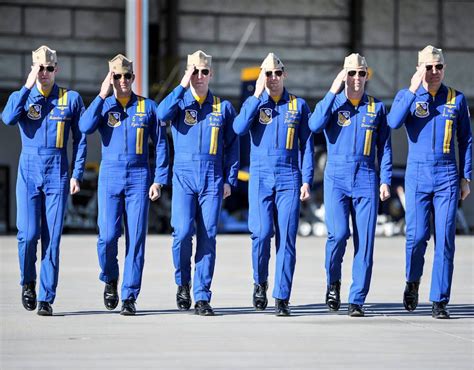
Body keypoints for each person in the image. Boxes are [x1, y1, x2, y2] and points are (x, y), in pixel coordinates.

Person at [79, 54, 169, 316]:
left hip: (139, 175)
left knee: (136, 238)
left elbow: (161, 144)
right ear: (111, 78)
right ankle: (109, 278)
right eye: (116, 76)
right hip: (110, 175)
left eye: (126, 76)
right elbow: (84, 126)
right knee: (107, 236)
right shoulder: (104, 106)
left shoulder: (147, 107)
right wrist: (101, 94)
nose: (122, 81)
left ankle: (130, 295)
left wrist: (159, 179)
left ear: (133, 77)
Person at [388, 45, 472, 319]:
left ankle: (439, 300)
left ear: (444, 68)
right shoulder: (408, 97)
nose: (433, 72)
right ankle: (412, 282)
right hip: (418, 176)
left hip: (447, 175)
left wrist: (465, 177)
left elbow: (466, 140)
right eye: (428, 66)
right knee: (417, 236)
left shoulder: (456, 100)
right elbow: (393, 122)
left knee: (445, 238)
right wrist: (413, 89)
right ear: (419, 68)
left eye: (438, 66)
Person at [2, 45, 87, 316]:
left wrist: (77, 173)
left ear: (56, 70)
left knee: (52, 238)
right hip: (29, 168)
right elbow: (7, 119)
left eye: (49, 69)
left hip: (58, 170)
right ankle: (28, 281)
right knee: (28, 235)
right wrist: (27, 86)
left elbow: (81, 137)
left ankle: (46, 296)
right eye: (40, 68)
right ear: (33, 69)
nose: (45, 73)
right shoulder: (23, 97)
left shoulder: (70, 98)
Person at [157, 50, 239, 316]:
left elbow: (233, 145)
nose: (200, 76)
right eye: (195, 71)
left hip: (212, 178)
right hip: (183, 176)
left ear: (211, 74)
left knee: (208, 236)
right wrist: (182, 83)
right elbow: (161, 115)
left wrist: (229, 179)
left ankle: (202, 296)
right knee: (181, 233)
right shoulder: (180, 104)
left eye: (204, 72)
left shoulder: (222, 107)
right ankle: (183, 283)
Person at [309, 53, 392, 317]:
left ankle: (356, 298)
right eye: (351, 73)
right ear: (344, 75)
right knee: (338, 235)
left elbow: (385, 147)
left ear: (367, 76)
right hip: (336, 178)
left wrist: (385, 179)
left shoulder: (376, 108)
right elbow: (314, 124)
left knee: (365, 242)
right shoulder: (333, 105)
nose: (356, 78)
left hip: (366, 177)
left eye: (361, 73)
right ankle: (333, 283)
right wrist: (333, 90)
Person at [233, 53, 314, 316]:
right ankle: (260, 282)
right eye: (268, 74)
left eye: (277, 73)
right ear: (262, 76)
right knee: (262, 233)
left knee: (287, 238)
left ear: (284, 75)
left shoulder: (297, 105)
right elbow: (238, 128)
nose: (273, 78)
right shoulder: (254, 104)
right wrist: (256, 95)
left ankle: (282, 296)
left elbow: (307, 145)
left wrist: (306, 179)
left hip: (289, 176)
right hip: (261, 177)